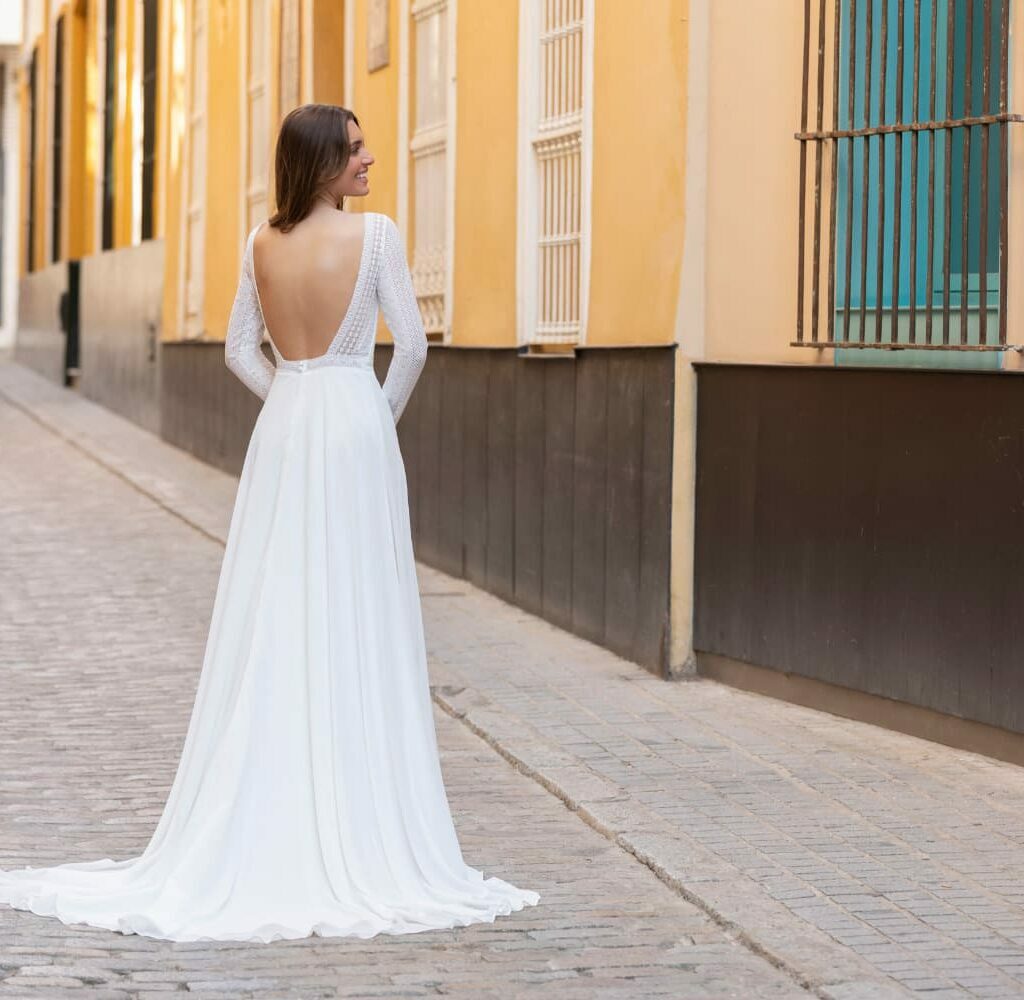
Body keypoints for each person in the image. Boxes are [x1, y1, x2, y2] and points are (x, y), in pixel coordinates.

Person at [0, 104, 540, 943]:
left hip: (285, 431)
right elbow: (414, 346)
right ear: (321, 162)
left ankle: (271, 792)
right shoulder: (378, 238)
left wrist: (292, 396)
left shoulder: (261, 241)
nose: (369, 159)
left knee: (281, 606)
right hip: (355, 426)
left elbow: (236, 350)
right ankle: (358, 803)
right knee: (358, 606)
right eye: (354, 149)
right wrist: (369, 415)